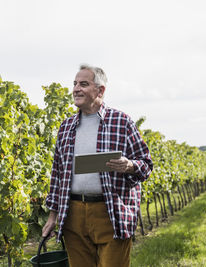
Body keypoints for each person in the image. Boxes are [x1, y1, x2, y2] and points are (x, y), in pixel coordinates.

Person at [42, 64, 153, 267]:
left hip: (111, 210)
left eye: (84, 84)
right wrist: (52, 215)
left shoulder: (122, 122)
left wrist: (129, 165)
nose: (76, 89)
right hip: (73, 213)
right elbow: (57, 173)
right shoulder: (66, 127)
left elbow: (146, 164)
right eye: (75, 84)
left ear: (100, 90)